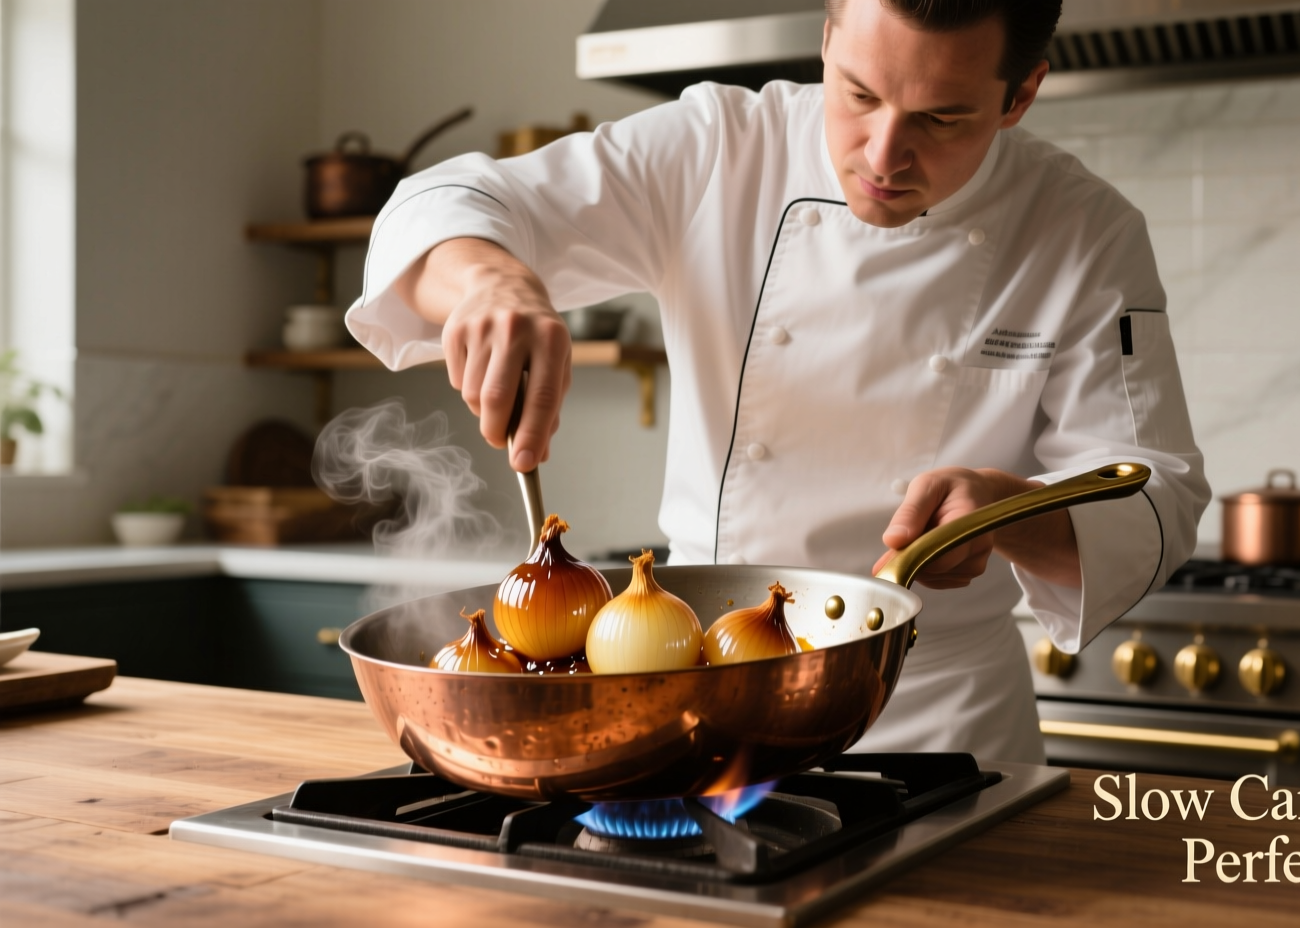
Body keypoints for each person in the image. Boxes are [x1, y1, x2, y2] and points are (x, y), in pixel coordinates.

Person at [346, 0, 1209, 764]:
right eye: (858, 94)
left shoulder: (1085, 232)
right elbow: (445, 203)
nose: (883, 154)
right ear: (826, 39)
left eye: (942, 119)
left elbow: (1154, 493)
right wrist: (493, 281)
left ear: (1020, 96)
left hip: (937, 721)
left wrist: (1013, 509)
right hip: (687, 696)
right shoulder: (720, 147)